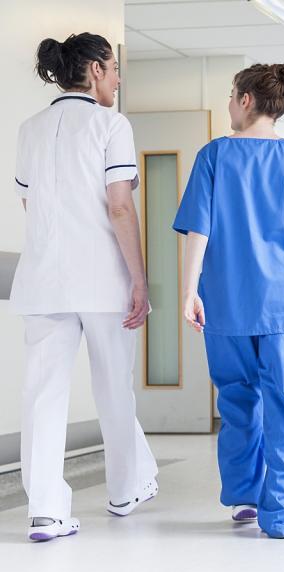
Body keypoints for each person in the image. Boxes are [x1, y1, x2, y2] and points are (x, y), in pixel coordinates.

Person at [173, 63, 284, 539]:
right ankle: (283, 514)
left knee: (237, 400)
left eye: (231, 95)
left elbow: (198, 231)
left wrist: (189, 293)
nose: (228, 103)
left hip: (226, 301)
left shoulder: (213, 157)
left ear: (246, 99)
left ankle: (245, 497)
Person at [11, 33, 158, 542]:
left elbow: (31, 207)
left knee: (43, 395)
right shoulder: (110, 124)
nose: (118, 78)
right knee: (114, 384)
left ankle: (46, 512)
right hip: (101, 278)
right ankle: (125, 489)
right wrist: (139, 278)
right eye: (115, 68)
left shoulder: (29, 129)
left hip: (42, 279)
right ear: (95, 69)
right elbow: (119, 205)